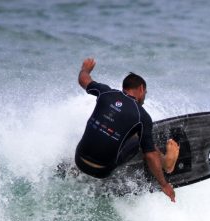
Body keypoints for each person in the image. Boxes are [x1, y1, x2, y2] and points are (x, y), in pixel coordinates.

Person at [75, 58, 179, 202]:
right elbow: (150, 155)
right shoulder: (141, 116)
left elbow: (83, 79)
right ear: (141, 89)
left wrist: (85, 69)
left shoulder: (105, 92)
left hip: (78, 160)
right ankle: (167, 164)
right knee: (139, 138)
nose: (144, 98)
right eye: (146, 93)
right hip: (102, 170)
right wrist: (164, 184)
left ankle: (76, 169)